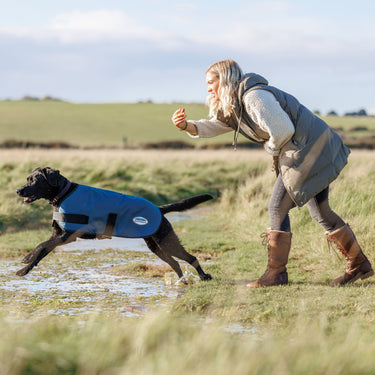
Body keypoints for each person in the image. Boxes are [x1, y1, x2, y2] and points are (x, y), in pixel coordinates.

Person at [171, 59, 373, 287]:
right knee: (320, 211)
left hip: (308, 150)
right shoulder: (237, 103)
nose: (208, 88)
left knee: (277, 206)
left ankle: (276, 274)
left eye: (211, 82)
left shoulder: (253, 97)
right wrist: (187, 126)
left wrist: (271, 148)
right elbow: (217, 125)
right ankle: (359, 265)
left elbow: (283, 130)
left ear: (225, 80)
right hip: (312, 149)